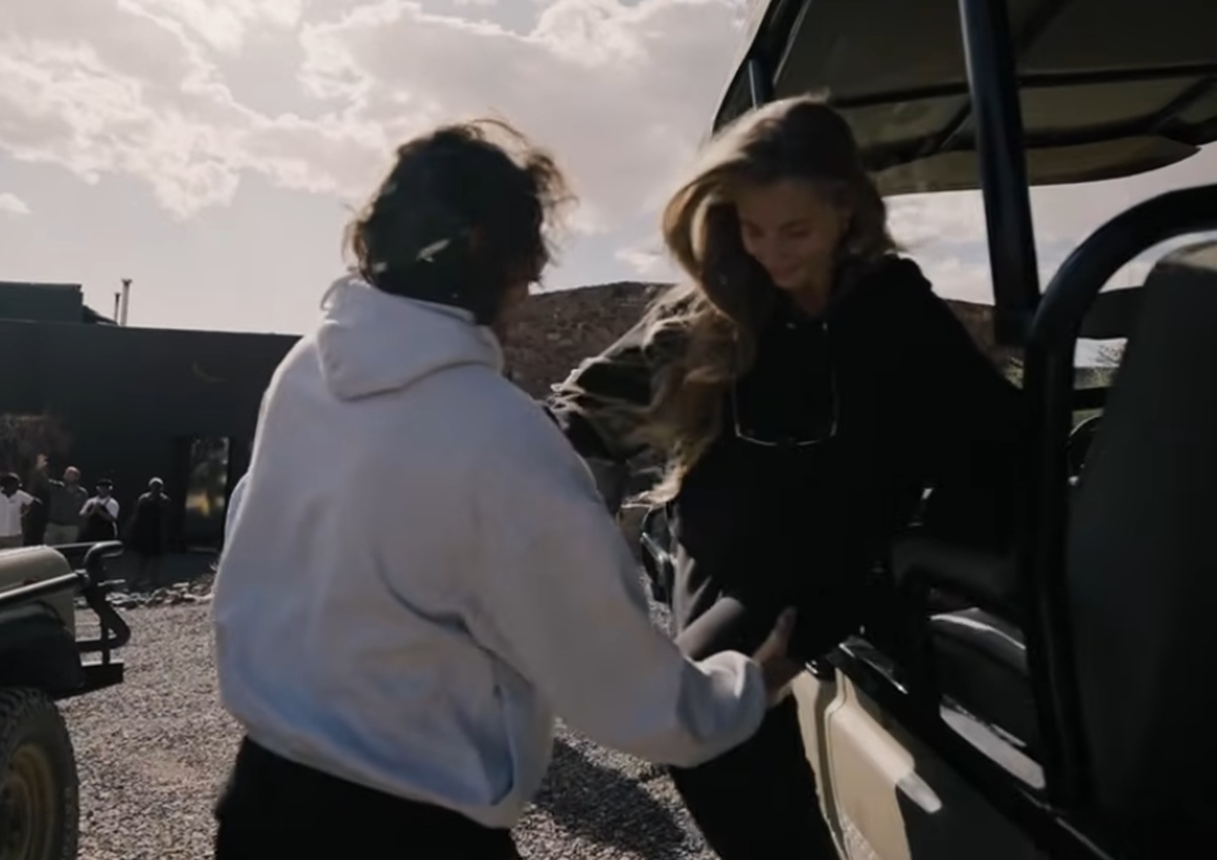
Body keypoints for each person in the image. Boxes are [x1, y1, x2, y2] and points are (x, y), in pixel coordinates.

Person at [210, 118, 800, 860]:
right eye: (530, 266)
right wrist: (748, 686)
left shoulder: (303, 371)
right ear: (502, 258)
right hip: (406, 835)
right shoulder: (501, 441)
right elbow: (622, 689)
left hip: (257, 809)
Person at [545, 94, 1021, 859]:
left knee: (699, 726)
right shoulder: (721, 302)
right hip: (709, 547)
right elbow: (586, 405)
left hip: (819, 562)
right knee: (721, 736)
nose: (772, 251)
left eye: (795, 230)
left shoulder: (893, 309)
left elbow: (999, 442)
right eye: (752, 228)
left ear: (846, 210)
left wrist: (919, 549)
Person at [125, 477, 169, 589]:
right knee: (141, 558)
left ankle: (154, 580)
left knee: (156, 559)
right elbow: (136, 514)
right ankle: (136, 580)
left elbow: (166, 518)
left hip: (157, 532)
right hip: (144, 531)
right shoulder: (143, 499)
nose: (156, 489)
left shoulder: (164, 500)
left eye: (158, 487)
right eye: (154, 487)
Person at [40, 464, 89, 545]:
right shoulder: (56, 487)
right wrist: (42, 468)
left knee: (68, 550)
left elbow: (84, 511)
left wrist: (80, 526)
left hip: (71, 527)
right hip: (54, 525)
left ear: (77, 477)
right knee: (49, 549)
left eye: (70, 474)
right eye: (66, 474)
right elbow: (43, 481)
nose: (67, 476)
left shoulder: (82, 493)